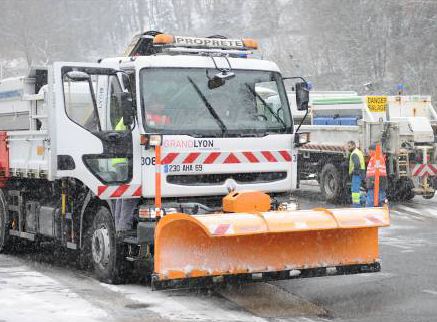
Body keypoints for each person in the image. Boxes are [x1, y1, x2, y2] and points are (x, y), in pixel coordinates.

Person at [366, 143, 388, 207]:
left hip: (375, 178)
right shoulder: (379, 157)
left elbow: (377, 169)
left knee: (372, 196)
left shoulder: (375, 157)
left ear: (372, 151)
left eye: (369, 151)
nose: (369, 153)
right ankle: (383, 209)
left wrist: (373, 179)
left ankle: (369, 210)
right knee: (381, 196)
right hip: (381, 178)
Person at [347, 140, 366, 207]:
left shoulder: (354, 153)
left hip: (357, 174)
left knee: (355, 190)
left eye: (349, 146)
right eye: (348, 146)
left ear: (354, 145)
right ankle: (363, 202)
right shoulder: (359, 152)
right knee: (360, 189)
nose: (348, 148)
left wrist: (353, 172)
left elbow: (357, 164)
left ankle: (356, 205)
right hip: (361, 173)